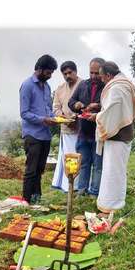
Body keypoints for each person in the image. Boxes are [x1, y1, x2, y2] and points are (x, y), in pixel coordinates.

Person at [96, 61, 135, 212]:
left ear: (108, 75)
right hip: (125, 132)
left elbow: (111, 112)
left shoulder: (116, 88)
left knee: (112, 170)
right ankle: (114, 201)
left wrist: (97, 117)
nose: (102, 80)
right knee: (118, 170)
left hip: (117, 134)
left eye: (102, 77)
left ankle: (111, 205)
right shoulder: (126, 84)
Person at [20, 54, 58, 204]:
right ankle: (26, 201)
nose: (49, 76)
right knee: (31, 170)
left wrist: (54, 118)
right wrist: (43, 120)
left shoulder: (47, 87)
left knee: (40, 169)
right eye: (48, 73)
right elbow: (24, 113)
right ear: (40, 70)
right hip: (32, 135)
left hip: (45, 135)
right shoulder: (27, 85)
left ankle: (37, 198)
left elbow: (48, 108)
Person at [68, 57, 105, 196]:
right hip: (83, 132)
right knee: (83, 164)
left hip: (99, 133)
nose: (94, 76)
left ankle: (94, 193)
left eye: (97, 73)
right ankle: (81, 191)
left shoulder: (107, 86)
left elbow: (111, 108)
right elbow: (71, 102)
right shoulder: (83, 84)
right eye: (91, 72)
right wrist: (76, 105)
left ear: (102, 71)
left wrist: (99, 106)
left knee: (97, 165)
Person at [51, 61, 82, 192]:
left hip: (81, 129)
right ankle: (67, 185)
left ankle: (80, 186)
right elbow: (56, 108)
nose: (68, 76)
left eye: (70, 73)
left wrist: (76, 117)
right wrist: (62, 116)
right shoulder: (60, 89)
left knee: (81, 157)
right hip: (66, 129)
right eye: (65, 74)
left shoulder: (83, 85)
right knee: (68, 157)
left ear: (76, 72)